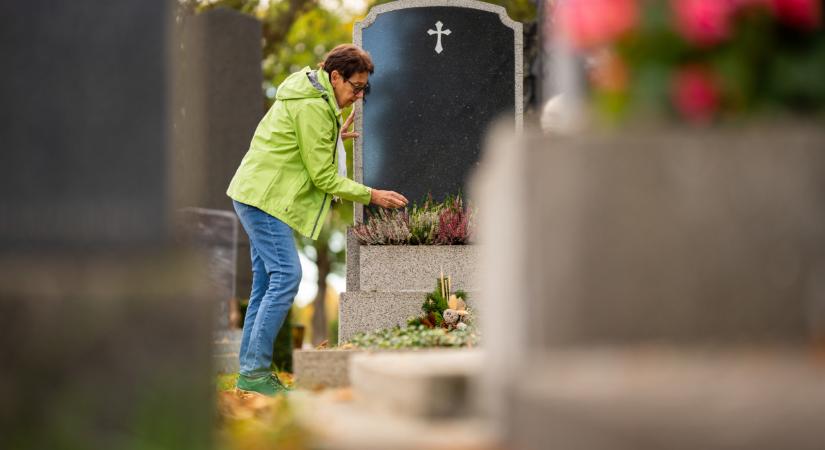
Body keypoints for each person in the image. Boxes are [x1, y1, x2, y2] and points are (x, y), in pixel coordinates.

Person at [227, 44, 408, 395]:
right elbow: (322, 177)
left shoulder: (314, 98)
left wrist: (332, 138)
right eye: (356, 87)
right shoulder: (313, 106)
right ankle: (254, 372)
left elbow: (299, 143)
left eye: (364, 89)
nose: (359, 96)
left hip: (258, 194)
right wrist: (372, 195)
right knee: (287, 275)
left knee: (264, 284)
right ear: (335, 76)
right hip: (264, 198)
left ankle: (250, 373)